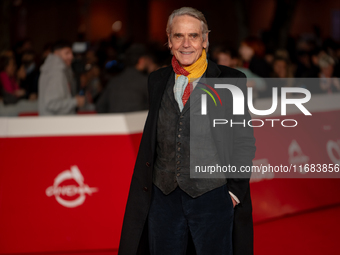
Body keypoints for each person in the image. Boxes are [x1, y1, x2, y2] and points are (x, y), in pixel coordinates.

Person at [118, 7, 256, 255]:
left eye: (193, 36)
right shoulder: (157, 80)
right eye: (178, 36)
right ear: (169, 41)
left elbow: (243, 141)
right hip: (163, 198)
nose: (186, 44)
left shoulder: (230, 80)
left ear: (205, 40)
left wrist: (234, 193)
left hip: (212, 197)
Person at [95, 44, 153, 113]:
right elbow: (155, 108)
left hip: (115, 122)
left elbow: (100, 106)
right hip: (138, 122)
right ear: (142, 61)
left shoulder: (114, 81)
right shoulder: (145, 82)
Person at [38, 41, 85, 115]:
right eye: (67, 53)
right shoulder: (56, 72)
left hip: (52, 122)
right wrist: (76, 101)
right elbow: (52, 103)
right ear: (56, 53)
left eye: (71, 53)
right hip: (56, 123)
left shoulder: (52, 69)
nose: (71, 56)